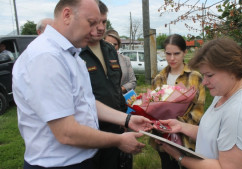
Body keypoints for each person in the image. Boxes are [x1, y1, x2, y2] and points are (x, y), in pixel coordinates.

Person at [12, 0, 152, 168]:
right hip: (59, 164)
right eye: (91, 23)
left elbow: (85, 102)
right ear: (67, 15)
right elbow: (66, 133)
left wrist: (127, 119)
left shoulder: (70, 53)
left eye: (100, 22)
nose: (96, 30)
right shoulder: (47, 57)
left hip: (80, 159)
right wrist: (119, 140)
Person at [156, 37, 242, 169]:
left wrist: (179, 157)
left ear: (231, 69)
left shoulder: (239, 112)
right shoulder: (224, 93)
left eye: (209, 75)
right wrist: (181, 127)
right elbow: (214, 135)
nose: (204, 82)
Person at [79, 1, 133, 169]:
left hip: (117, 124)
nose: (101, 27)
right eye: (95, 22)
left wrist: (126, 120)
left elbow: (116, 89)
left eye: (104, 22)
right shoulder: (77, 50)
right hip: (91, 130)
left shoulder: (110, 49)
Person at [151, 34, 206, 169]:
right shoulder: (159, 78)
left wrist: (179, 127)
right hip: (162, 137)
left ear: (185, 52)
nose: (172, 58)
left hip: (186, 140)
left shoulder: (194, 77)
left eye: (177, 53)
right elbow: (151, 107)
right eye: (168, 54)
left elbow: (198, 111)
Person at [104, 29, 137, 94]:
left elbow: (133, 82)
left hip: (122, 99)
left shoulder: (125, 60)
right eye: (108, 44)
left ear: (118, 45)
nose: (111, 46)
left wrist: (119, 90)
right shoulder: (98, 60)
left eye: (115, 44)